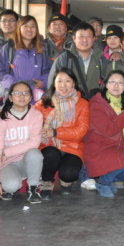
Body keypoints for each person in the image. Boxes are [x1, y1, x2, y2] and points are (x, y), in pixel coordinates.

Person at [83, 71, 124, 199]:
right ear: (106, 85)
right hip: (100, 151)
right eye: (112, 82)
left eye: (120, 83)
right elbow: (109, 130)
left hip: (116, 150)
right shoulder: (97, 103)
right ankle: (103, 182)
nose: (116, 86)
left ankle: (108, 177)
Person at [35, 68, 90, 199]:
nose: (63, 85)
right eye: (59, 81)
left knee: (69, 173)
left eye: (67, 81)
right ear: (54, 83)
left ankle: (65, 182)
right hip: (49, 145)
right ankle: (47, 182)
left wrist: (55, 132)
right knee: (50, 155)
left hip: (73, 147)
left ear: (74, 83)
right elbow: (29, 117)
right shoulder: (44, 102)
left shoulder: (83, 104)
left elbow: (81, 131)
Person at [0, 82, 44, 204]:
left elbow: (34, 143)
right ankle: (10, 182)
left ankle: (33, 188)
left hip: (26, 161)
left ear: (30, 97)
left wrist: (7, 152)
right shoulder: (2, 119)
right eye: (17, 93)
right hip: (8, 163)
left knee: (35, 154)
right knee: (11, 186)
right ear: (10, 97)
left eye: (25, 93)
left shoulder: (36, 115)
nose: (21, 96)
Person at [0, 16, 52, 103]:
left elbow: (49, 71)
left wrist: (43, 82)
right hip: (14, 96)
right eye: (25, 26)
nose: (29, 29)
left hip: (36, 98)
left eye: (33, 26)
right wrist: (14, 85)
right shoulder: (9, 48)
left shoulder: (42, 49)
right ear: (19, 28)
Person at [48, 22, 104, 98]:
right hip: (70, 102)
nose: (85, 40)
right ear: (74, 38)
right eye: (81, 36)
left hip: (95, 102)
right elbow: (52, 84)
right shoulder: (64, 59)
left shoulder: (101, 58)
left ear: (94, 39)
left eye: (88, 36)